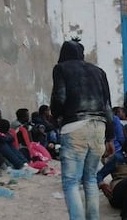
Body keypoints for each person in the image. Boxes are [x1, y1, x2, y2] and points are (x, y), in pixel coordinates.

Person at [50, 39, 115, 220]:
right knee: (91, 180)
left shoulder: (61, 69)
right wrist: (110, 137)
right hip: (99, 127)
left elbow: (59, 98)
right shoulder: (99, 71)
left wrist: (56, 116)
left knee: (71, 182)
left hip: (74, 126)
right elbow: (107, 106)